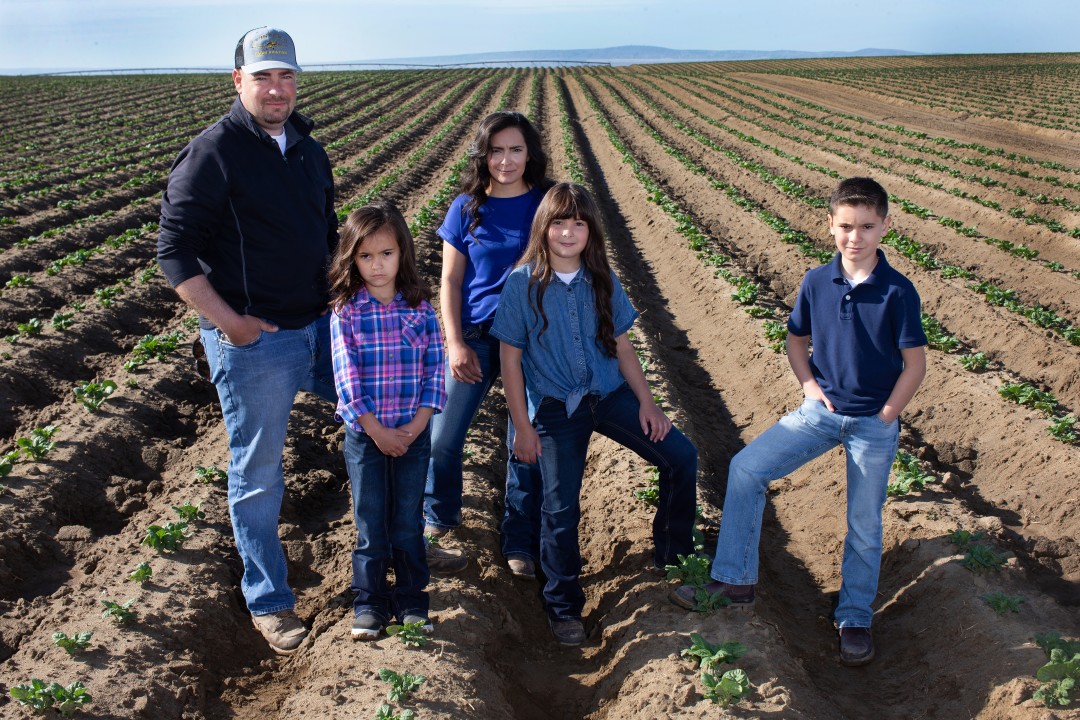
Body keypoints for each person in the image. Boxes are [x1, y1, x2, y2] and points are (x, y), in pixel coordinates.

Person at [671, 177, 927, 667]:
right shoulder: (815, 282)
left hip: (872, 424)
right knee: (747, 468)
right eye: (847, 226)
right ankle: (735, 580)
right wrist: (811, 388)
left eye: (867, 227)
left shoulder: (898, 292)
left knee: (864, 522)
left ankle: (854, 616)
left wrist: (887, 414)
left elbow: (914, 364)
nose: (856, 237)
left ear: (885, 227)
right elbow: (795, 340)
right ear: (830, 225)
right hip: (821, 414)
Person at [157, 27, 337, 655]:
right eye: (263, 76)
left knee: (388, 418)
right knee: (259, 472)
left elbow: (327, 233)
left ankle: (401, 548)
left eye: (286, 75)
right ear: (238, 82)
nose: (276, 87)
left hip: (321, 330)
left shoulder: (309, 150)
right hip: (259, 343)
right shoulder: (214, 152)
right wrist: (229, 323)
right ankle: (269, 601)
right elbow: (173, 252)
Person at [492, 183, 698, 646]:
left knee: (681, 456)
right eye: (559, 223)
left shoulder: (601, 277)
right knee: (560, 508)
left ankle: (674, 557)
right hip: (553, 408)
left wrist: (648, 402)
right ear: (544, 228)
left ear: (590, 232)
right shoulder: (522, 284)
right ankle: (563, 606)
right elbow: (509, 361)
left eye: (578, 224)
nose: (568, 233)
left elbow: (623, 347)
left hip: (607, 396)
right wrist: (522, 428)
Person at [423, 111, 554, 578]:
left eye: (516, 149)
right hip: (477, 337)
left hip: (534, 338)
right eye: (496, 150)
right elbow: (451, 281)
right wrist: (454, 341)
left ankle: (519, 540)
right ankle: (439, 516)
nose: (506, 160)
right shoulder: (465, 207)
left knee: (527, 441)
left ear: (530, 154)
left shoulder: (546, 206)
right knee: (441, 437)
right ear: (484, 155)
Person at [328, 202, 447, 640]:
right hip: (366, 436)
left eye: (386, 254)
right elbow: (347, 381)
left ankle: (413, 602)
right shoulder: (346, 313)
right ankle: (370, 604)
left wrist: (415, 427)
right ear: (352, 259)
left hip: (413, 435)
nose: (377, 265)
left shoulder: (419, 309)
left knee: (407, 522)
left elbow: (436, 372)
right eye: (365, 256)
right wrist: (377, 431)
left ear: (403, 254)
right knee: (370, 521)